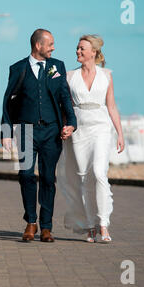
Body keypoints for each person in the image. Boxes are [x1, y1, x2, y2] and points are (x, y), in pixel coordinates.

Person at [1, 29, 77, 242]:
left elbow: (65, 96)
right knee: (25, 175)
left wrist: (71, 123)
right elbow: (7, 100)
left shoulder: (57, 66)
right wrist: (6, 131)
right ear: (38, 46)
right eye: (50, 44)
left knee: (47, 178)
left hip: (51, 131)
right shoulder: (17, 68)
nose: (53, 48)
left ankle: (46, 227)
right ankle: (30, 222)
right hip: (26, 130)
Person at [57, 35, 125, 243]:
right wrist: (65, 126)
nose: (77, 51)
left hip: (101, 127)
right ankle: (90, 225)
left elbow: (111, 105)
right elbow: (65, 107)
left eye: (82, 48)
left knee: (99, 173)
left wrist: (120, 132)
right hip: (79, 129)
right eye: (77, 48)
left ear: (93, 52)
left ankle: (103, 223)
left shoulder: (106, 75)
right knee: (84, 178)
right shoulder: (69, 76)